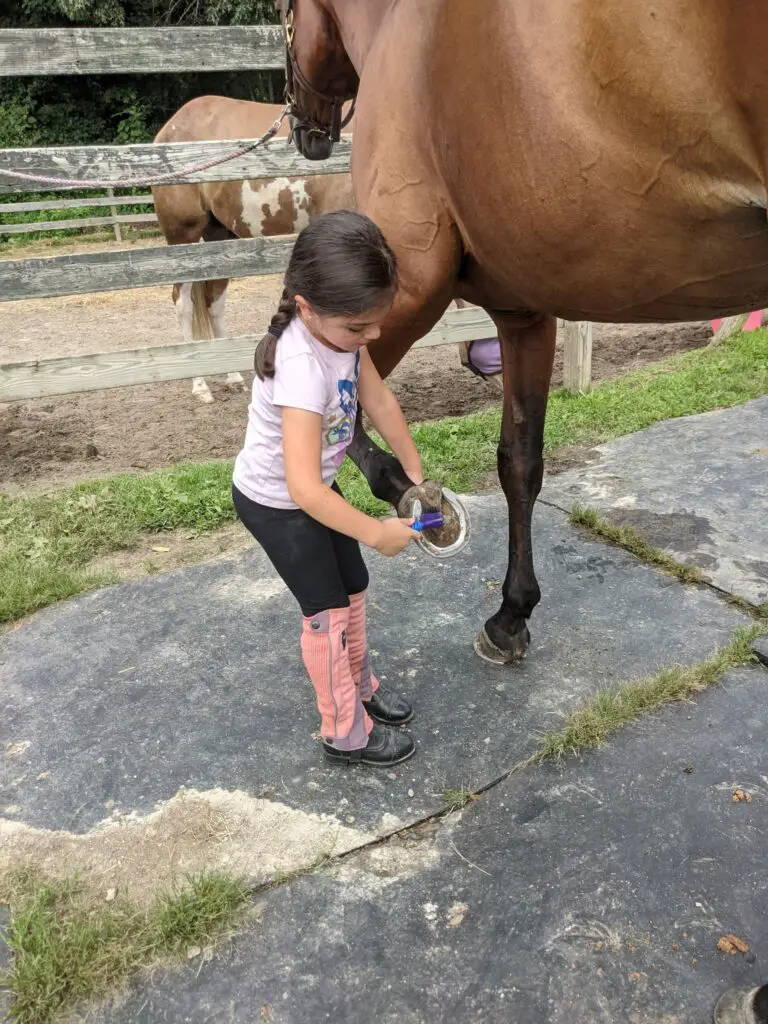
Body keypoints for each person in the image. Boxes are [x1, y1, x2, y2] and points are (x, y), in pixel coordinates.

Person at [232, 210, 423, 768]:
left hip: (314, 490)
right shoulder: (299, 366)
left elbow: (381, 403)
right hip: (278, 504)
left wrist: (414, 474)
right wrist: (376, 532)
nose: (374, 336)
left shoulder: (343, 339)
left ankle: (360, 688)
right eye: (360, 328)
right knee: (327, 611)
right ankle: (344, 733)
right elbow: (301, 489)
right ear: (309, 307)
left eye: (374, 323)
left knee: (354, 587)